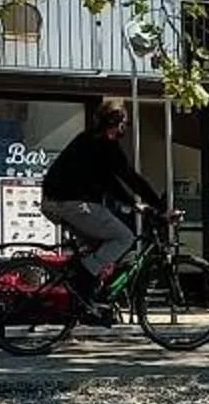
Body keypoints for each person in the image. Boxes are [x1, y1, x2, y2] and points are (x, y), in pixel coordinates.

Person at [39, 101, 161, 293]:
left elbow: (113, 181)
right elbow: (128, 178)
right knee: (124, 238)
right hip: (72, 202)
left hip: (57, 201)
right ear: (117, 123)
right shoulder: (102, 145)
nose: (125, 128)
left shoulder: (90, 140)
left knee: (99, 246)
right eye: (125, 123)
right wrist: (159, 206)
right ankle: (82, 283)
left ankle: (83, 298)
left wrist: (135, 203)